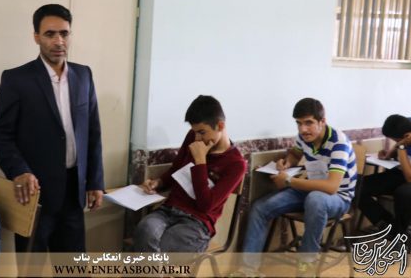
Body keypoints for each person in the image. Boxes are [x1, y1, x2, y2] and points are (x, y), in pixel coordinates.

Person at [0, 4, 104, 252]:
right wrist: (19, 171)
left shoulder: (84, 75)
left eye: (64, 33)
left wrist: (95, 181)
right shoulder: (17, 79)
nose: (58, 41)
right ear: (36, 37)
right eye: (50, 34)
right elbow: (0, 135)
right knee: (32, 265)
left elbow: (93, 133)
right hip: (34, 194)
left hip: (74, 193)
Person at [240, 98, 356, 273]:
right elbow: (295, 154)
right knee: (260, 207)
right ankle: (248, 270)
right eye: (299, 123)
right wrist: (287, 162)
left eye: (308, 123)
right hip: (309, 190)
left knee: (315, 199)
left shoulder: (339, 142)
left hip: (338, 197)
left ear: (322, 121)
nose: (303, 129)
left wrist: (289, 181)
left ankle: (307, 263)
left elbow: (332, 187)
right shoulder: (304, 137)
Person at [133, 95, 246, 252]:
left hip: (197, 223)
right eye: (195, 132)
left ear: (220, 126)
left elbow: (205, 205)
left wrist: (200, 161)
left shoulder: (236, 164)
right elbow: (176, 169)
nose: (197, 138)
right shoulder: (193, 137)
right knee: (144, 229)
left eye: (202, 132)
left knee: (160, 248)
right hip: (169, 210)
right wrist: (158, 182)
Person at [358, 114, 411, 239]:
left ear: (405, 136)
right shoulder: (406, 126)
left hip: (408, 180)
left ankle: (401, 233)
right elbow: (399, 145)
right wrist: (388, 154)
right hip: (399, 174)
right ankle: (388, 225)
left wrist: (401, 147)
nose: (396, 143)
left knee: (403, 193)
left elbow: (409, 179)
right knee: (358, 187)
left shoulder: (404, 138)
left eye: (396, 140)